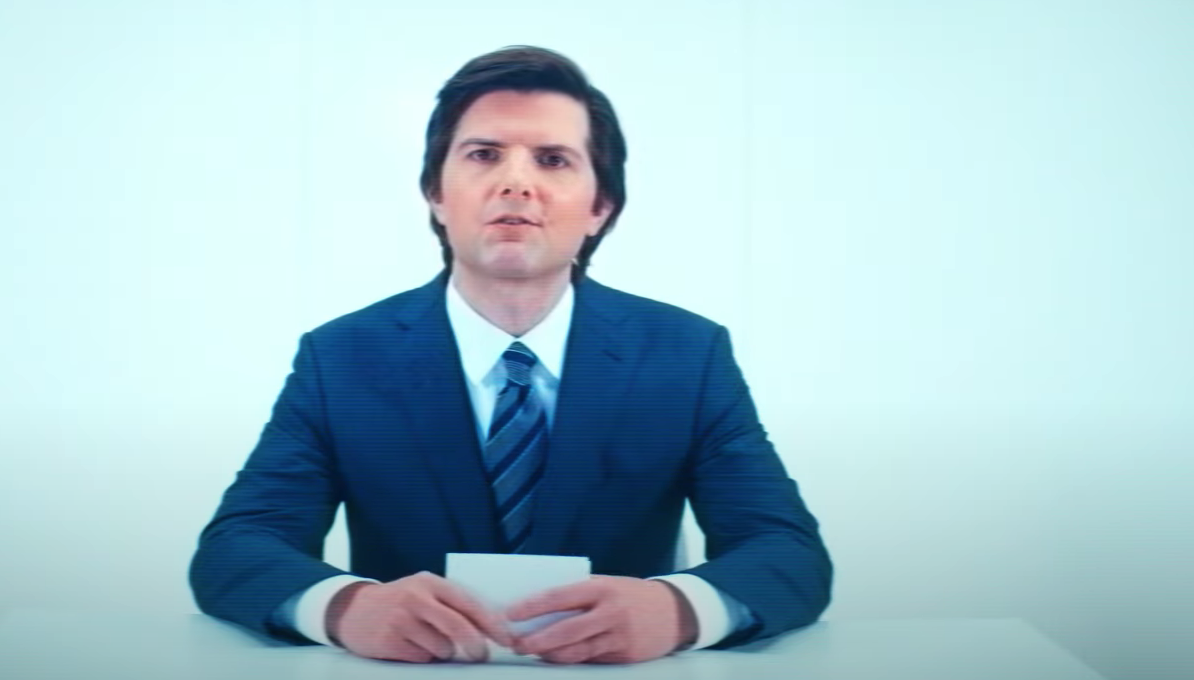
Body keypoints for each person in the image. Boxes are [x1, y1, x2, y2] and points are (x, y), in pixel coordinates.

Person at [188, 45, 830, 665]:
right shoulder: (341, 359)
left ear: (600, 207)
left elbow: (787, 552)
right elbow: (236, 548)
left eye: (552, 159)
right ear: (436, 194)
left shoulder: (686, 355)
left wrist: (679, 611)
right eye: (484, 154)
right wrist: (346, 608)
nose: (516, 182)